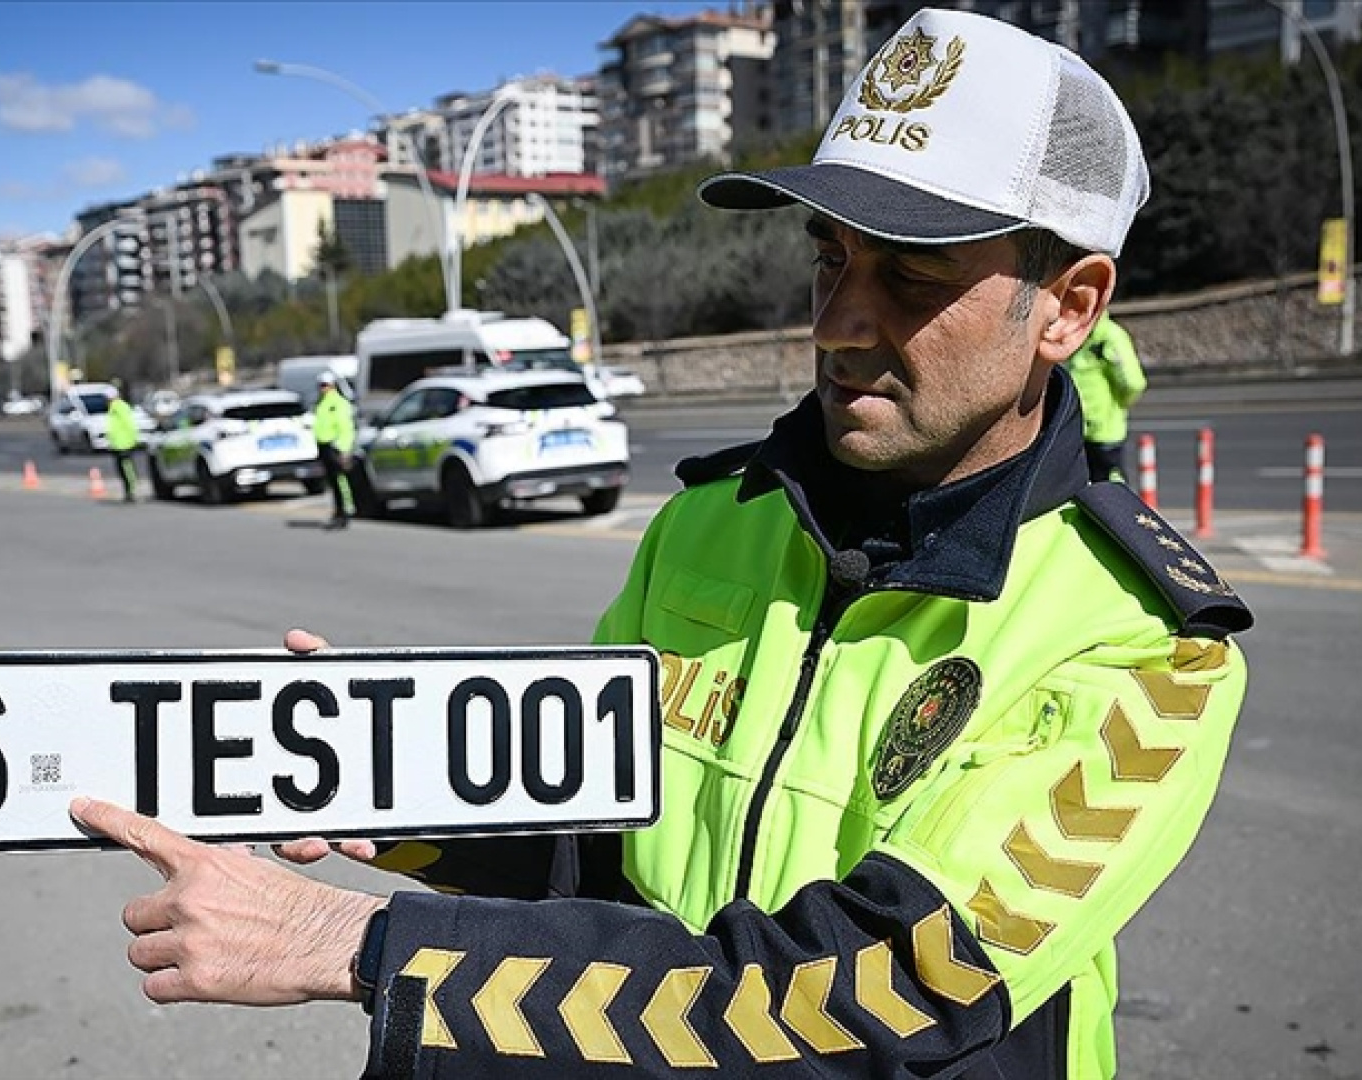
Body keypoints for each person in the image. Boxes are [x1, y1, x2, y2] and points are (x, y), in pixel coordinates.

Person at [70, 10, 1253, 1078]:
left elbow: (879, 990)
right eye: (829, 257)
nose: (841, 322)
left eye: (910, 275)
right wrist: (397, 790)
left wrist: (360, 943)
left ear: (1069, 306)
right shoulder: (708, 523)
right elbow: (603, 848)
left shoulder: (1147, 653)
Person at [1066, 312, 1147, 483]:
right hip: (1079, 433)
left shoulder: (1109, 336)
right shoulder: (1076, 335)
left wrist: (1116, 408)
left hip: (1104, 432)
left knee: (1111, 494)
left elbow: (1133, 383)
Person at [311, 370, 357, 530]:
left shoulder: (339, 403)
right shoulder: (321, 403)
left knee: (340, 480)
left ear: (332, 385)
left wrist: (344, 449)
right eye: (321, 386)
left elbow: (346, 428)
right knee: (332, 481)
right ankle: (338, 510)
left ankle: (346, 510)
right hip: (323, 445)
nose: (322, 389)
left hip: (335, 446)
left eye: (325, 385)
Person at [104, 385, 140, 504]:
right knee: (121, 468)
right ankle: (128, 491)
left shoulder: (120, 407)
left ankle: (132, 490)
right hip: (117, 443)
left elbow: (129, 423)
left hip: (124, 442)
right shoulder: (113, 408)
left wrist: (134, 438)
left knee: (126, 467)